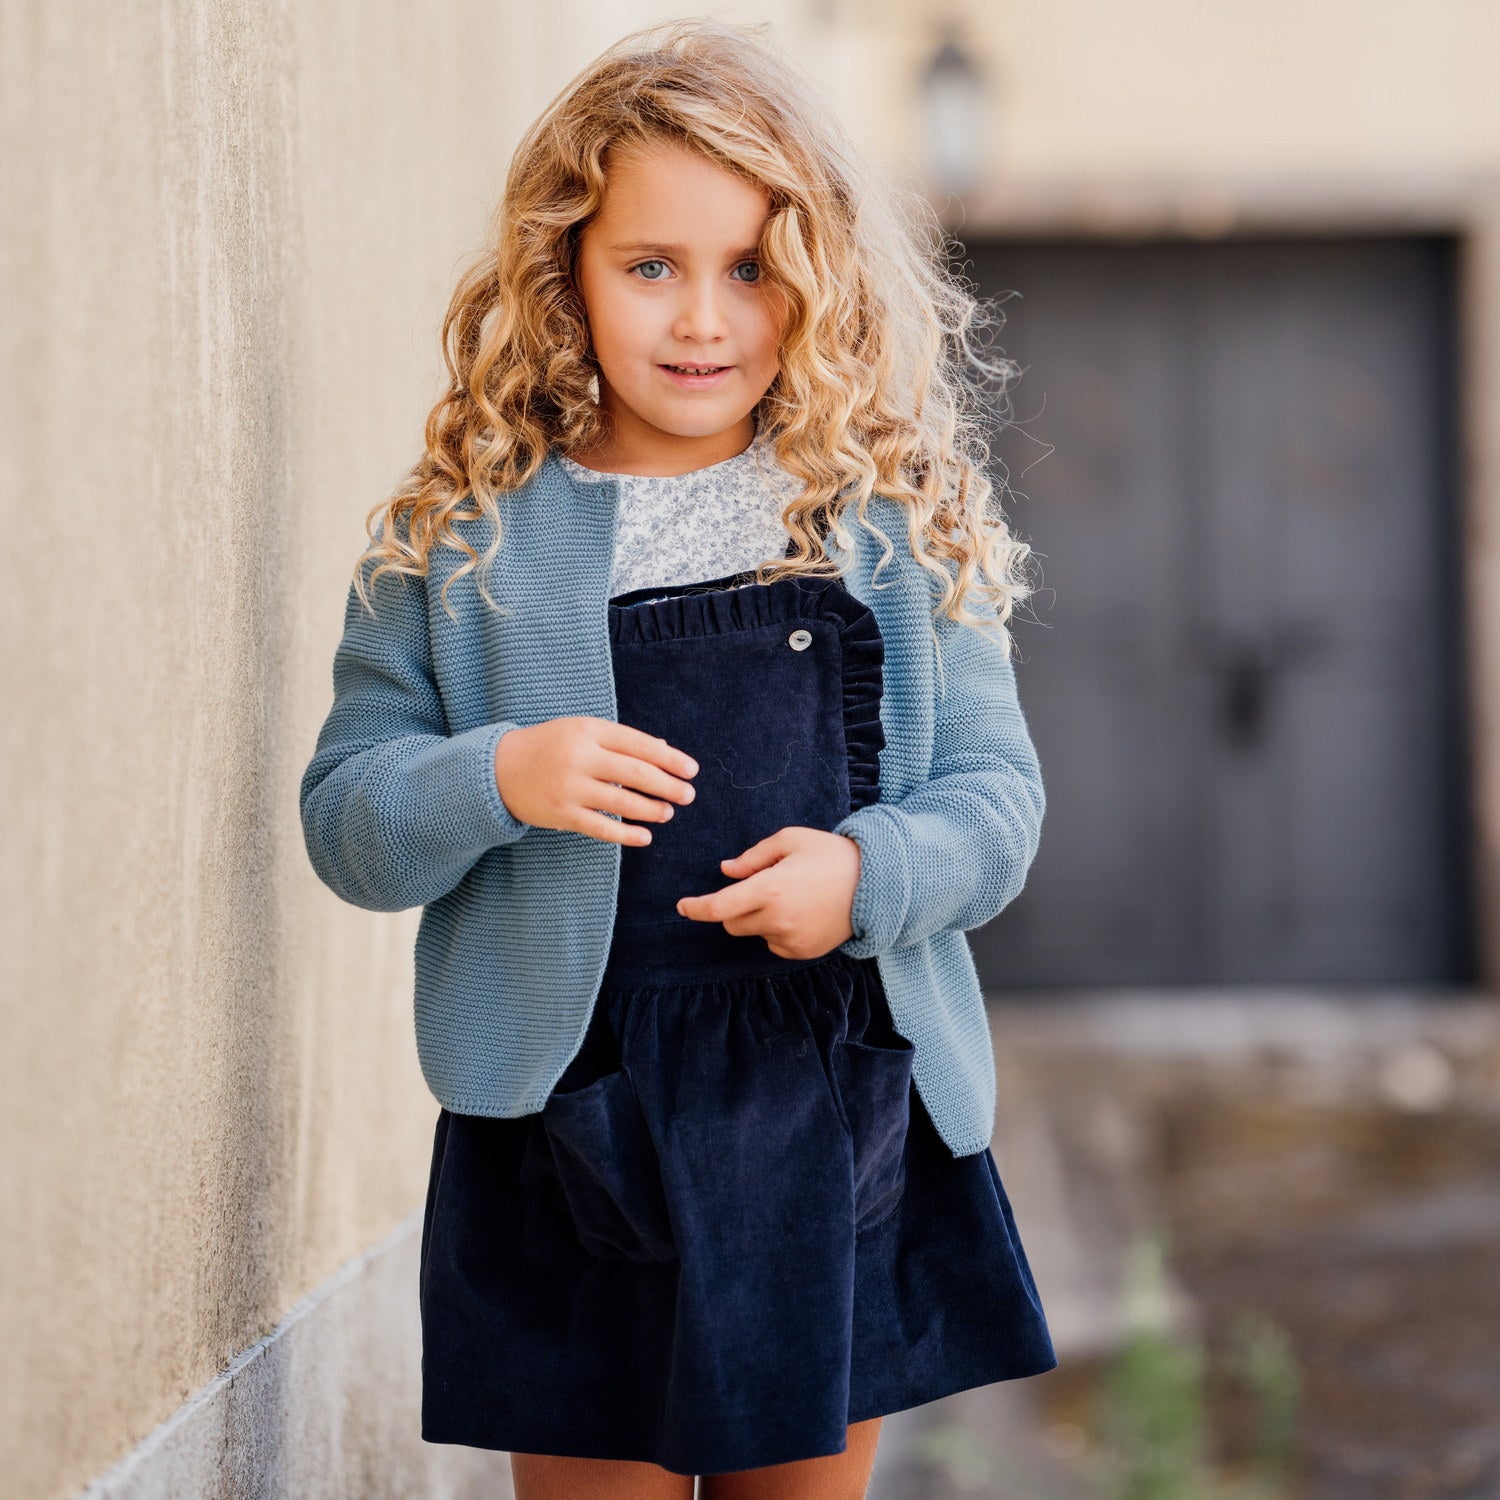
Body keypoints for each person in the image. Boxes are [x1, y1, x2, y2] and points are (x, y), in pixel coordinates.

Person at [299, 17, 1056, 1499]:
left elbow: (999, 802)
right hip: (573, 1125)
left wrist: (869, 870)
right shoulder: (466, 535)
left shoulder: (890, 516)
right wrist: (497, 778)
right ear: (564, 267)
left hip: (834, 1109)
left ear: (818, 278)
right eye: (652, 265)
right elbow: (348, 819)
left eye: (751, 268)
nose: (702, 317)